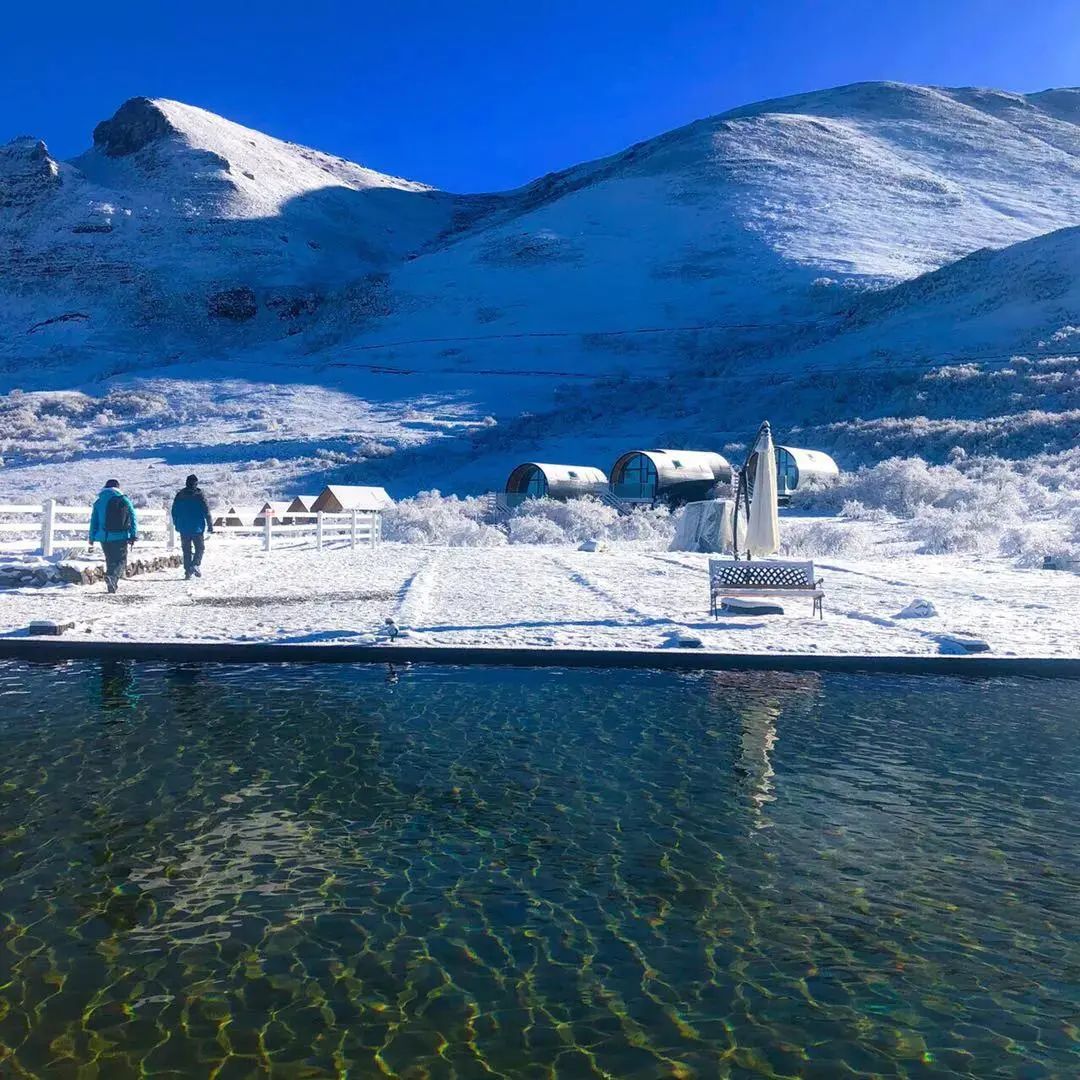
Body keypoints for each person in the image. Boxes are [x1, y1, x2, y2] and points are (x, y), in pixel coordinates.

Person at [88, 479, 138, 593]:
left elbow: (93, 521)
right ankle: (112, 578)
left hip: (103, 537)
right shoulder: (123, 499)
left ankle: (111, 586)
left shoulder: (99, 501)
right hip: (120, 535)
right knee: (121, 561)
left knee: (110, 561)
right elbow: (133, 517)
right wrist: (133, 534)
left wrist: (91, 537)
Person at [171, 474, 214, 579]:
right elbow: (206, 511)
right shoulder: (199, 495)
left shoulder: (180, 495)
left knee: (186, 550)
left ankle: (187, 571)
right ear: (196, 483)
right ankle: (195, 564)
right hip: (197, 527)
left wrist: (177, 524)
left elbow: (174, 511)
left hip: (184, 527)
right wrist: (210, 525)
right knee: (200, 548)